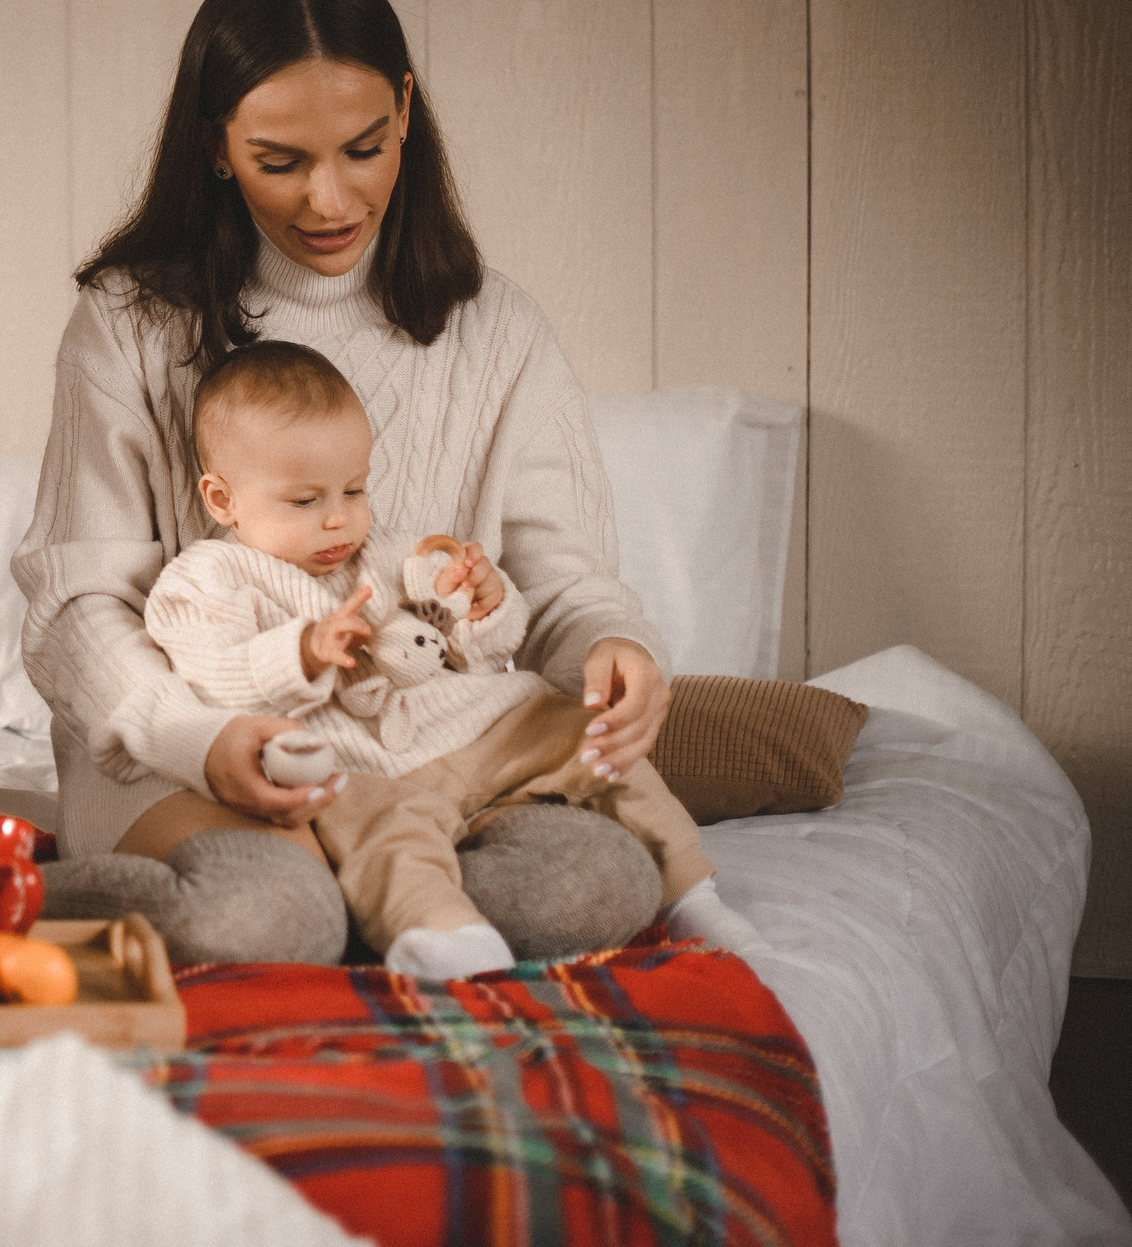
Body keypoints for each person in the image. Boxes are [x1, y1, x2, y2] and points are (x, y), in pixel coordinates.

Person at [24, 0, 677, 966]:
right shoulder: (127, 325)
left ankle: (381, 894)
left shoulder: (497, 329)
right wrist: (198, 739)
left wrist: (612, 647)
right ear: (215, 145)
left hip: (427, 751)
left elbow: (562, 590)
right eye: (280, 161)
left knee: (600, 886)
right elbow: (76, 611)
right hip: (194, 750)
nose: (329, 200)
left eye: (364, 149)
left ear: (405, 112)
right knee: (273, 917)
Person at [142, 341, 758, 978]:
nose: (338, 519)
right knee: (384, 836)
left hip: (475, 730)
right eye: (305, 501)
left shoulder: (389, 550)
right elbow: (210, 677)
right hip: (365, 766)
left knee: (593, 738)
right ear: (222, 499)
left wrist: (485, 606)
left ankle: (690, 894)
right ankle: (446, 938)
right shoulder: (206, 579)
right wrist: (300, 653)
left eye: (354, 489)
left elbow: (477, 646)